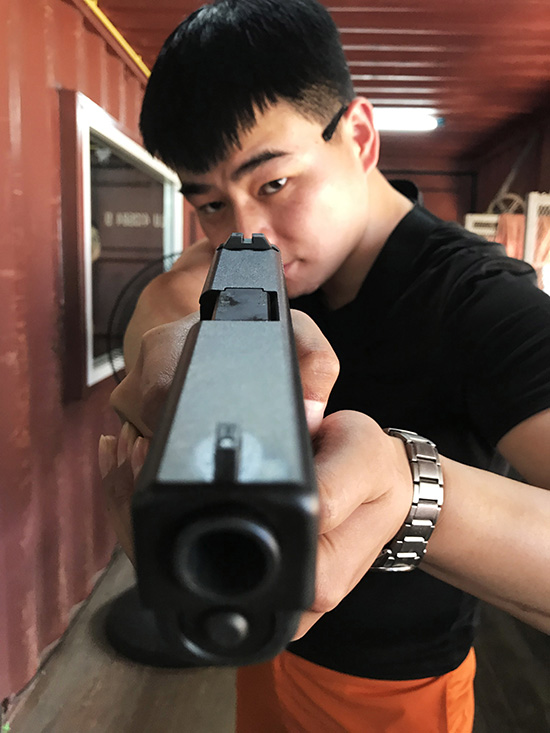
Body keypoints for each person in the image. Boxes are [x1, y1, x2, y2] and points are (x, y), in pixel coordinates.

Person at [97, 1, 550, 730]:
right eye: (210, 204)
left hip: (396, 692)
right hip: (260, 642)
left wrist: (407, 489)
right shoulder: (257, 267)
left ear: (360, 135)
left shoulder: (483, 300)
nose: (246, 232)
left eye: (273, 183)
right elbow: (173, 301)